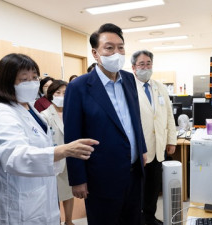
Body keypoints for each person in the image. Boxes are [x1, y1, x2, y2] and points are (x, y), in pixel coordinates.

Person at [0, 53, 98, 224]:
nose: (31, 83)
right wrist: (64, 150)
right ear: (6, 82)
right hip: (15, 208)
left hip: (40, 201)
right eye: (24, 79)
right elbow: (16, 157)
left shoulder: (30, 110)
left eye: (34, 77)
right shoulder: (2, 114)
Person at [63, 23, 147, 225]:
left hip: (134, 172)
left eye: (120, 47)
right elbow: (73, 136)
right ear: (95, 53)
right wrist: (78, 179)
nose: (116, 53)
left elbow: (135, 118)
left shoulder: (128, 79)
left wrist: (142, 149)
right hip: (100, 177)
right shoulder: (79, 87)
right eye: (109, 48)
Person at [131, 50, 177, 225]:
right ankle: (138, 219)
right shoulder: (129, 87)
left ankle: (150, 217)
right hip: (140, 149)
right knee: (139, 189)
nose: (145, 67)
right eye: (141, 64)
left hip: (158, 146)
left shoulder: (160, 87)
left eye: (148, 63)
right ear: (134, 67)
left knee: (153, 187)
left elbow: (168, 115)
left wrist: (171, 140)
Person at [40, 80, 75, 225]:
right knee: (54, 195)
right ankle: (57, 221)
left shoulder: (72, 112)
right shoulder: (44, 115)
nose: (62, 96)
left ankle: (69, 220)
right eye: (58, 93)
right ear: (51, 95)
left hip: (71, 158)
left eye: (65, 93)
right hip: (54, 159)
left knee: (69, 192)